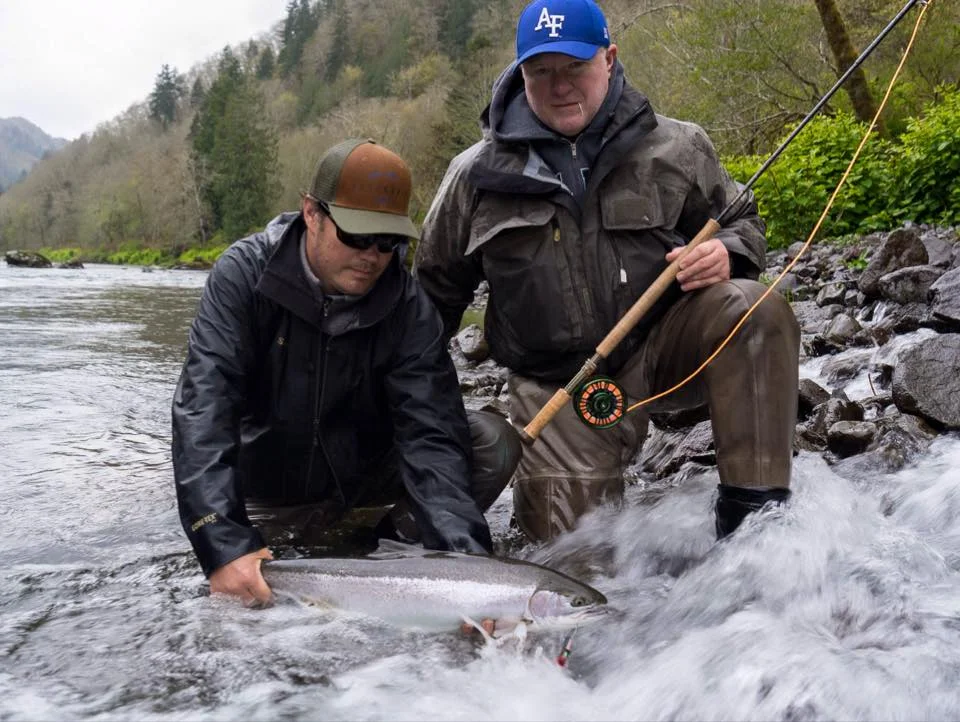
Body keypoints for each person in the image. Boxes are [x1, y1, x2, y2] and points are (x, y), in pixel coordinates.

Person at [414, 0, 800, 543]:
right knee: (569, 567)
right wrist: (413, 418)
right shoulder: (474, 176)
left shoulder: (678, 145)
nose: (559, 85)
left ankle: (757, 530)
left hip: (664, 353)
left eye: (574, 66)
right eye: (541, 71)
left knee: (755, 310)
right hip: (556, 386)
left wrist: (728, 254)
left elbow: (742, 222)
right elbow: (429, 300)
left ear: (610, 59)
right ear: (520, 72)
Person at [173, 138, 521, 606]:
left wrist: (468, 571)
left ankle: (383, 552)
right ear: (311, 213)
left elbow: (431, 433)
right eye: (357, 236)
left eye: (388, 242)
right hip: (268, 490)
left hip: (361, 483)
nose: (372, 255)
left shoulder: (408, 304)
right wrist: (221, 542)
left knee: (489, 440)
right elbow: (204, 410)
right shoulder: (243, 277)